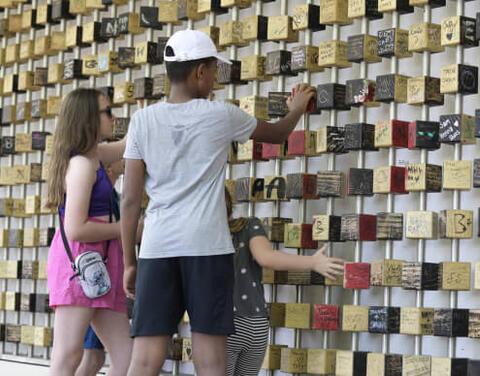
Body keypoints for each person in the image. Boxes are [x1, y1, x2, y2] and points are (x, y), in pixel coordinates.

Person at [120, 29, 316, 376]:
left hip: (156, 247)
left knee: (144, 360)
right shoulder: (221, 115)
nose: (214, 79)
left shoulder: (141, 121)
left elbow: (131, 200)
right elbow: (278, 133)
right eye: (213, 71)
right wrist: (297, 109)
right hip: (207, 248)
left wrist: (129, 262)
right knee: (211, 362)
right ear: (199, 73)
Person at [46, 88, 132, 376]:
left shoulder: (93, 155)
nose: (113, 117)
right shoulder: (83, 164)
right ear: (88, 119)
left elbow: (125, 146)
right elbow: (75, 228)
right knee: (68, 356)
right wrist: (126, 228)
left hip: (101, 265)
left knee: (128, 359)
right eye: (107, 112)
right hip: (81, 265)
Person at [223, 188, 345, 375]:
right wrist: (312, 262)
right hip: (257, 323)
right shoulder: (249, 225)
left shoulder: (202, 236)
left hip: (224, 323)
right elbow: (267, 258)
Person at [75, 159, 125, 376]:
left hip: (104, 278)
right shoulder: (100, 193)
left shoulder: (112, 196)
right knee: (90, 357)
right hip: (94, 277)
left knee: (98, 356)